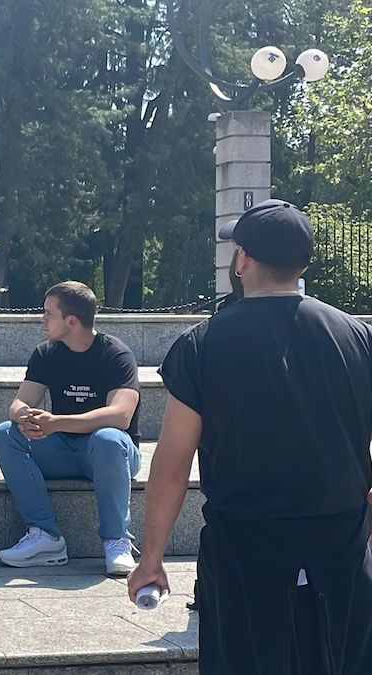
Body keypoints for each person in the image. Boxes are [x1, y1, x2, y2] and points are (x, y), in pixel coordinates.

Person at [129, 199, 372, 674]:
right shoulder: (358, 338)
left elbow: (173, 462)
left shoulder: (203, 343)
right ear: (303, 262)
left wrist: (152, 557)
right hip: (340, 547)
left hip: (246, 551)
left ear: (242, 259)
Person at [0, 280, 142, 576]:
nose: (42, 319)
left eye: (48, 313)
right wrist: (26, 417)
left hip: (111, 455)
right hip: (63, 448)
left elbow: (121, 416)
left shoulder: (115, 354)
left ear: (71, 321)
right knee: (5, 434)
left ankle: (117, 541)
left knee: (109, 438)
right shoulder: (46, 353)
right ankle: (45, 537)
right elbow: (21, 401)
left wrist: (56, 422)